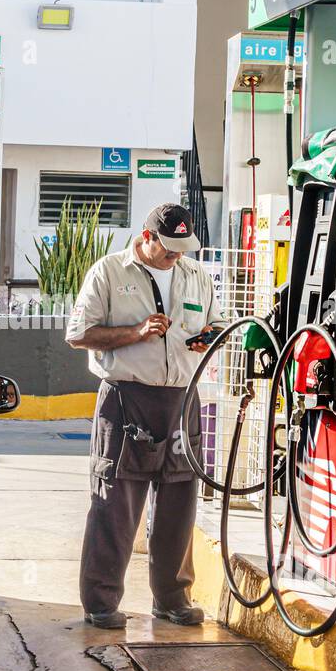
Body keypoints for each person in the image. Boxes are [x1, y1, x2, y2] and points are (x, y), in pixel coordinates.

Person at [65, 202, 225, 629]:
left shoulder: (197, 276)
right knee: (115, 502)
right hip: (126, 398)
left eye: (183, 248)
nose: (177, 256)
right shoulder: (109, 272)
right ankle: (100, 602)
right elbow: (78, 334)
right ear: (147, 237)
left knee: (180, 502)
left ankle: (173, 598)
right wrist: (136, 333)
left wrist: (207, 339)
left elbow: (217, 325)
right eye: (169, 247)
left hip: (182, 400)